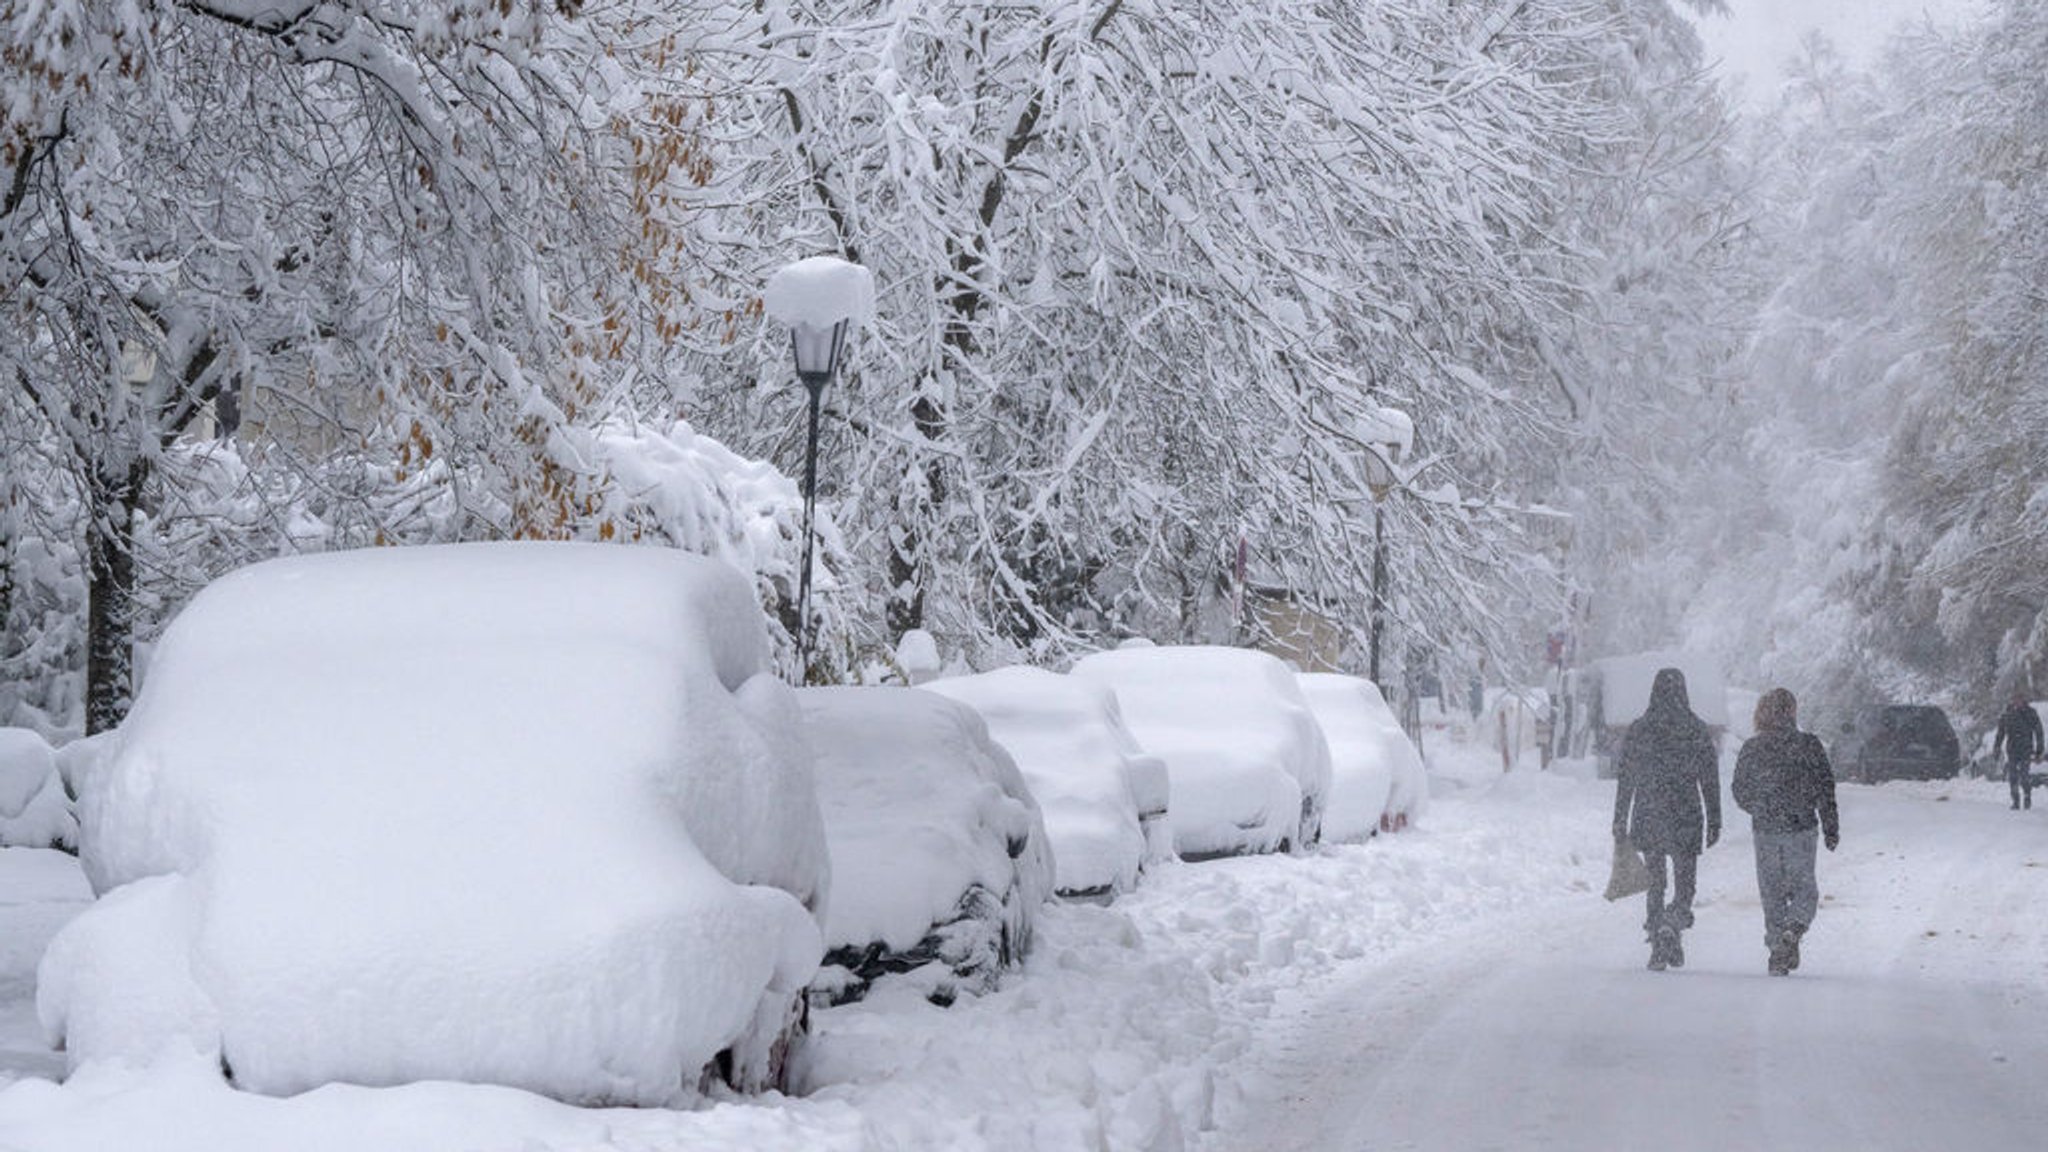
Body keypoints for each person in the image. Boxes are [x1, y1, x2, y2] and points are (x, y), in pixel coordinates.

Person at [1612, 667, 1720, 971]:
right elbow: (1709, 778)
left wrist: (1620, 815)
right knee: (1685, 885)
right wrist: (1715, 818)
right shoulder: (1696, 729)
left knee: (1655, 882)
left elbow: (1626, 777)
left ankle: (1658, 937)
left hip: (1649, 810)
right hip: (1685, 812)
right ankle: (1673, 922)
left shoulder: (1640, 729)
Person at [1731, 688, 1840, 976]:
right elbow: (1825, 787)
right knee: (1804, 889)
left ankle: (1777, 945)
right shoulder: (1809, 745)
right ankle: (1794, 928)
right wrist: (1830, 825)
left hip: (1766, 829)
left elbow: (1739, 789)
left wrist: (1759, 807)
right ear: (1792, 711)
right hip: (1801, 827)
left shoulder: (1753, 748)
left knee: (1771, 891)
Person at [1992, 693, 2044, 811]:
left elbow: (2039, 731)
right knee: (2013, 776)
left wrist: (2039, 750)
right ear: (2012, 700)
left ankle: (2027, 797)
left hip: (2026, 749)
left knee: (2024, 775)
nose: (2017, 702)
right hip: (2012, 750)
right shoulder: (2007, 714)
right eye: (2015, 699)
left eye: (2019, 699)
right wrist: (1997, 748)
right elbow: (2000, 733)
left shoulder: (2030, 713)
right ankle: (2015, 800)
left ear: (2023, 700)